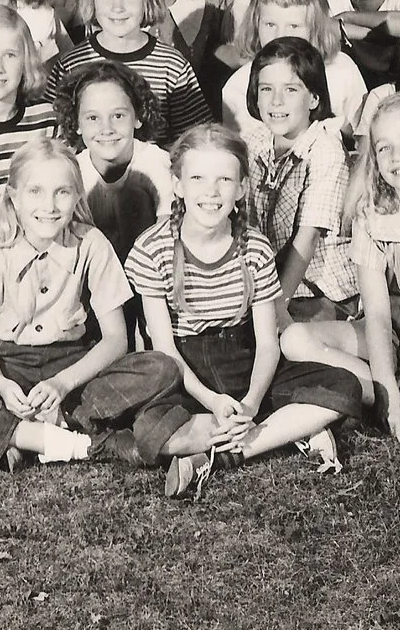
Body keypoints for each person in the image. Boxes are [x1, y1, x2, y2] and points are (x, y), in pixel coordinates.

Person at [123, 124, 362, 494]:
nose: (211, 191)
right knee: (153, 432)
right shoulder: (152, 249)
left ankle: (228, 453)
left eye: (224, 179)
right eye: (198, 177)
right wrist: (212, 400)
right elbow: (163, 348)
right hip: (185, 369)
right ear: (178, 185)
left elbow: (268, 343)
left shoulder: (254, 246)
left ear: (240, 188)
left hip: (243, 358)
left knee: (344, 386)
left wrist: (249, 403)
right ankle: (281, 430)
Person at [0, 136, 183, 466]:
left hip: (71, 365)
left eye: (61, 192)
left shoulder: (91, 243)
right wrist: (2, 386)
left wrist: (62, 384)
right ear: (14, 197)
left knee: (161, 368)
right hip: (10, 364)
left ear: (76, 195)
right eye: (35, 191)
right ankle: (77, 442)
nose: (49, 206)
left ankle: (23, 432)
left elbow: (115, 340)